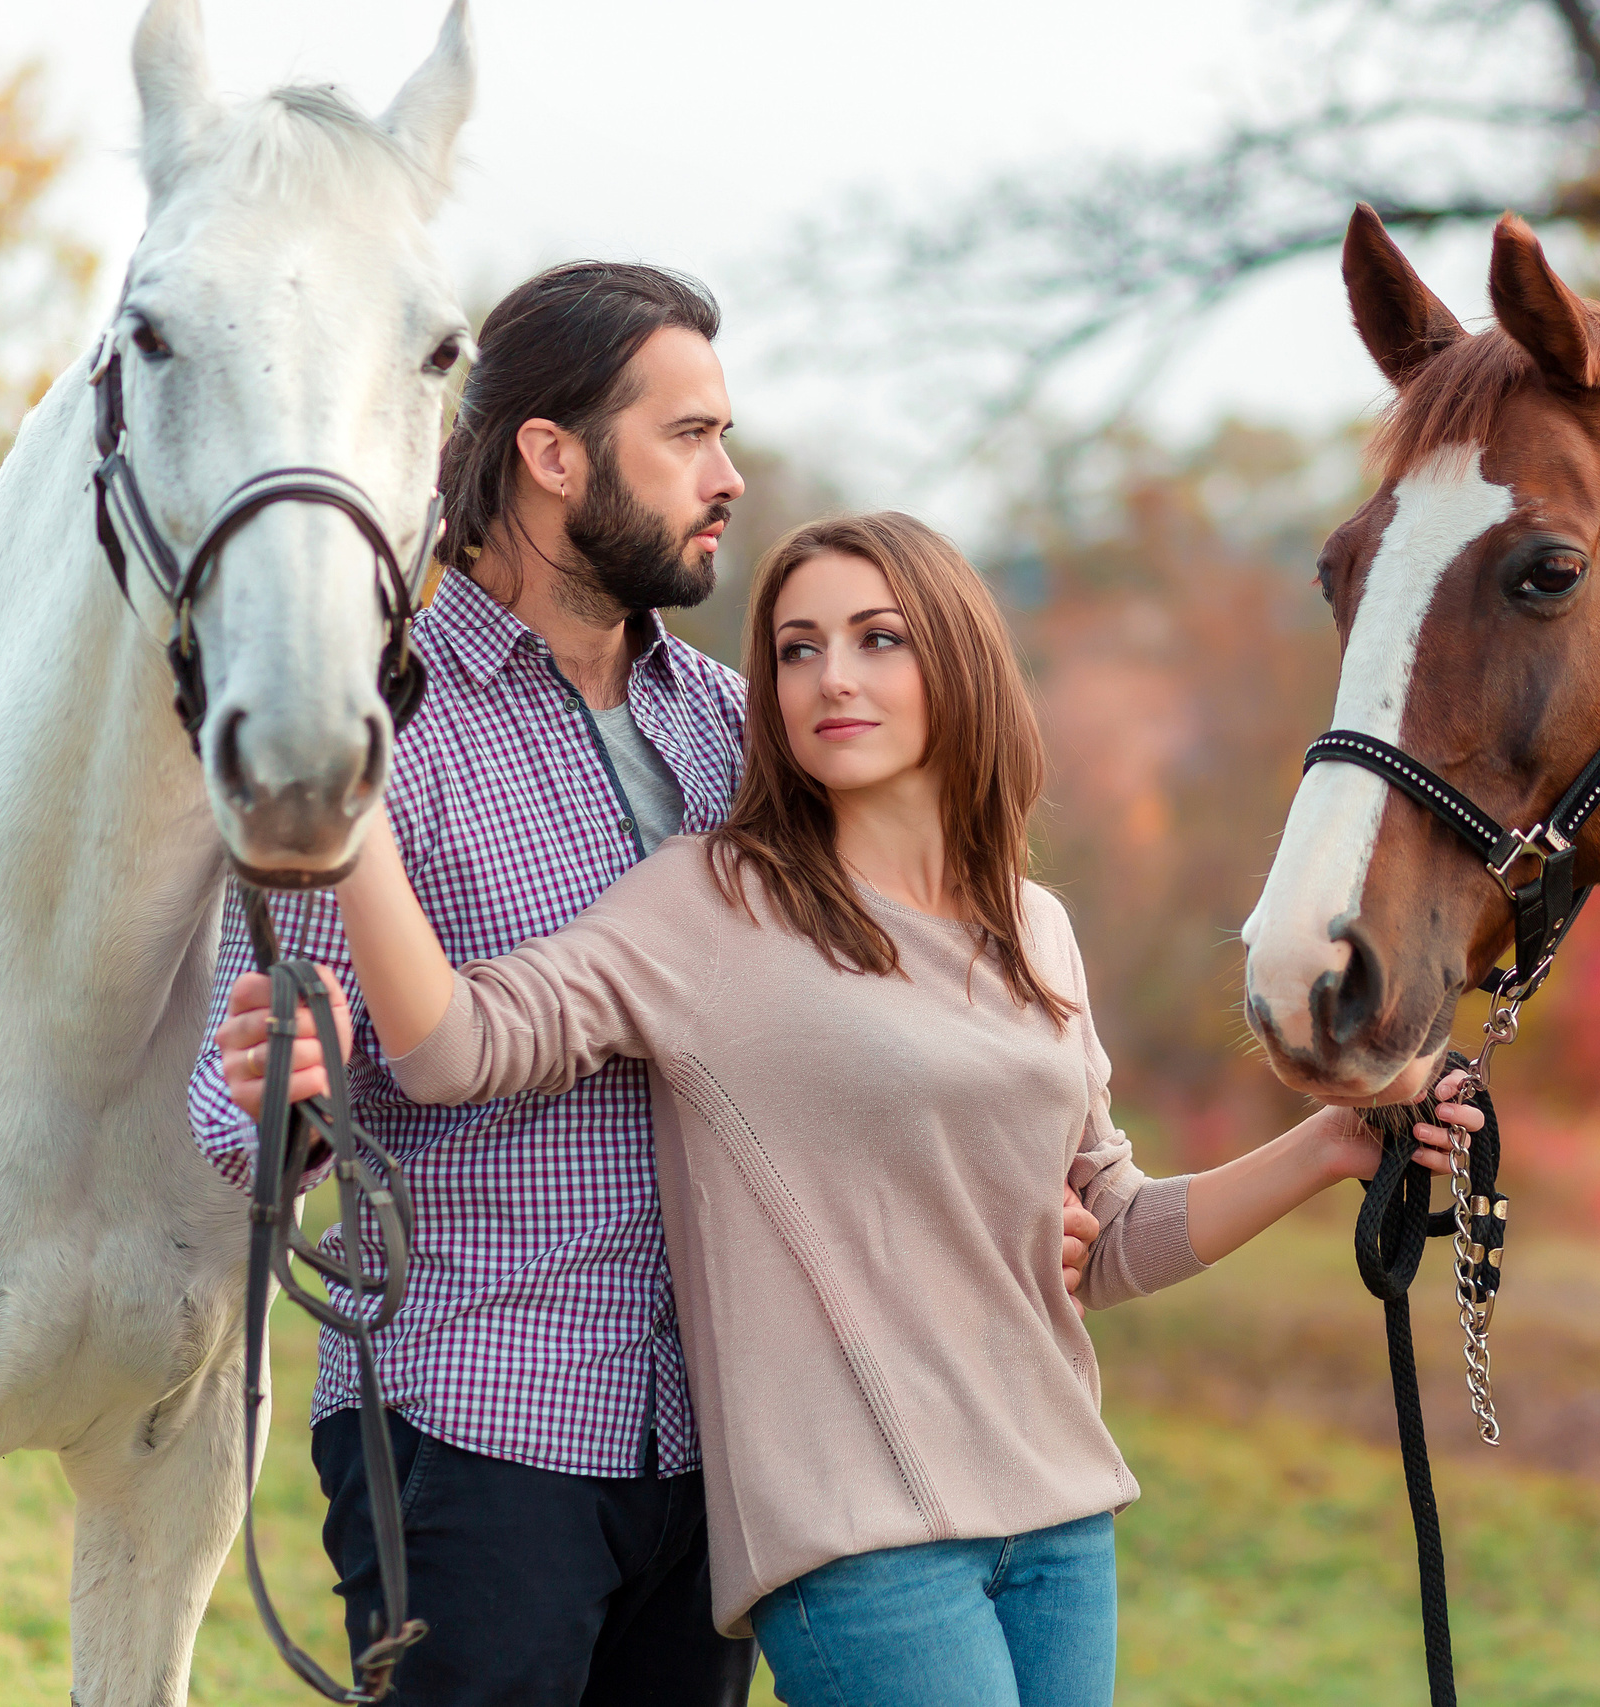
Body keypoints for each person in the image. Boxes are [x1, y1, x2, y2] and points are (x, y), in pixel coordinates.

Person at [215, 511, 1480, 1706]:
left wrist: (1331, 1144)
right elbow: (451, 1046)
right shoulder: (716, 904)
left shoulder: (1034, 929)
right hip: (858, 1538)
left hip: (1056, 1513)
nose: (833, 678)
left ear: (958, 664)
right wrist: (353, 817)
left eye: (879, 639)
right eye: (797, 650)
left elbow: (1114, 1228)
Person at [187, 269, 1101, 1706]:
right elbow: (237, 1114)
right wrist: (302, 1082)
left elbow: (890, 1004)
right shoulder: (378, 728)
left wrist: (996, 1195)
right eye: (688, 435)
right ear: (554, 455)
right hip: (487, 1428)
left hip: (729, 1454)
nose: (727, 478)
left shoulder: (742, 730)